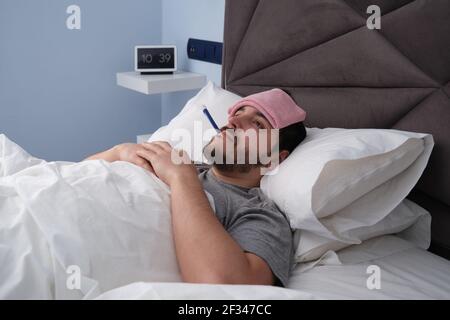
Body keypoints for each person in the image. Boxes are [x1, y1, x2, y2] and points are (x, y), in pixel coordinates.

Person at [85, 89, 307, 287]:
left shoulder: (260, 214)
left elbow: (226, 288)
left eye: (258, 124)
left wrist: (181, 178)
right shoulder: (177, 161)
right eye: (238, 113)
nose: (233, 123)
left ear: (273, 159)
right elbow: (78, 174)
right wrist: (119, 152)